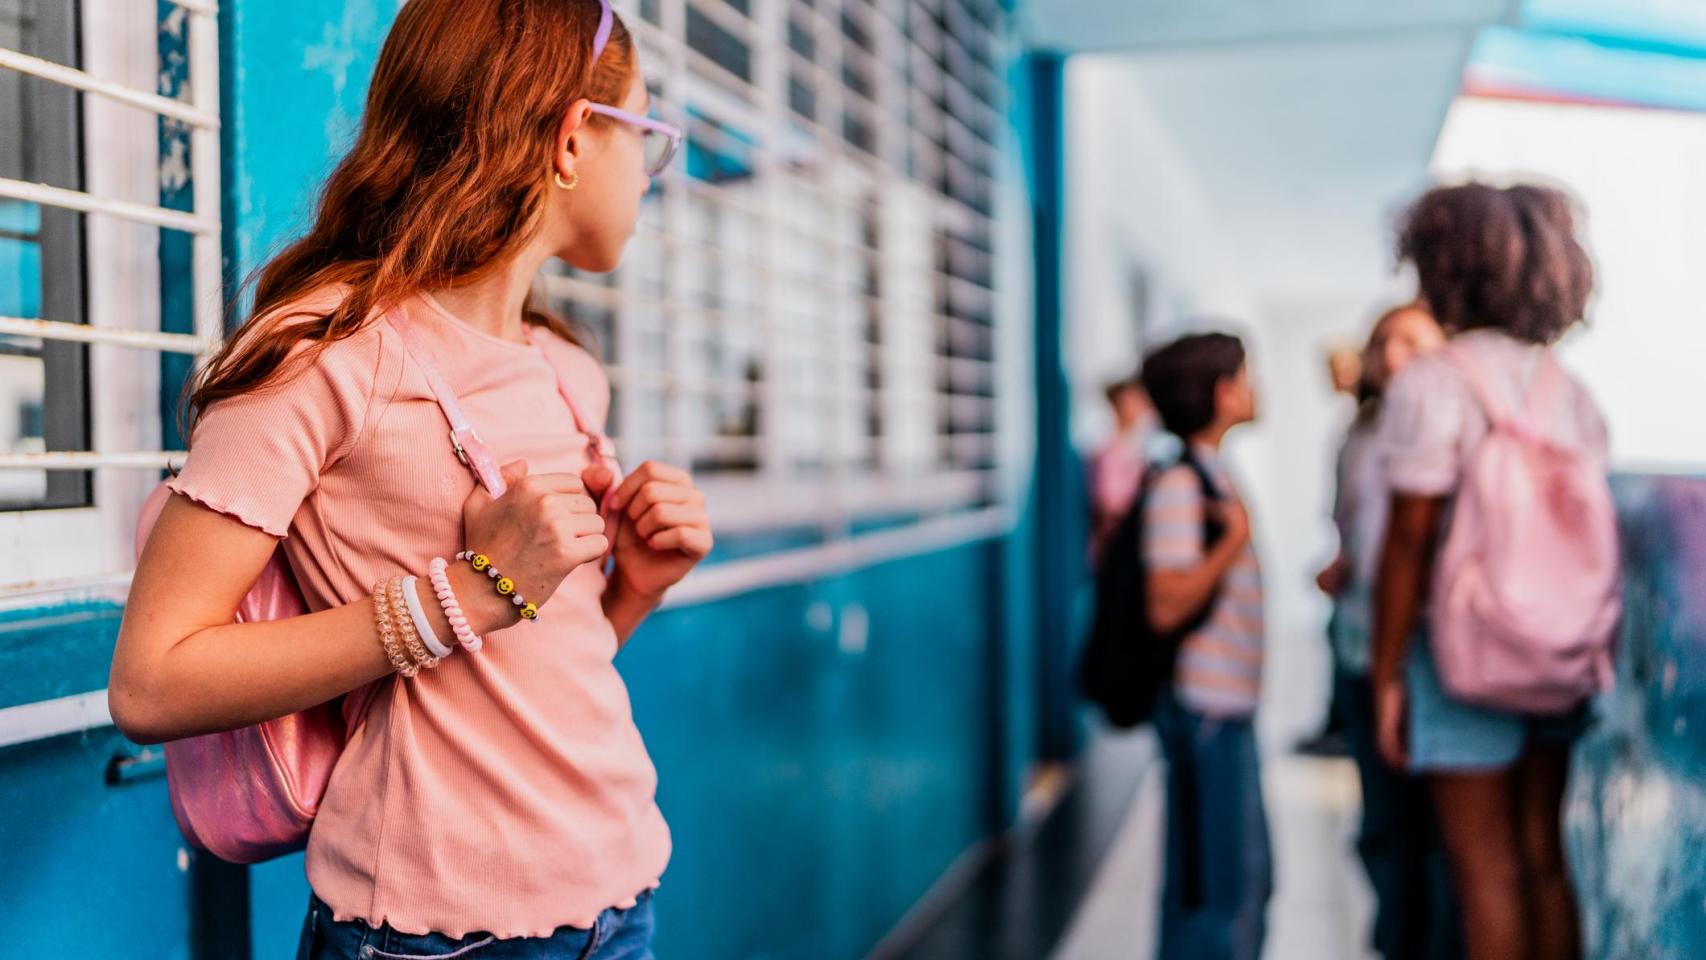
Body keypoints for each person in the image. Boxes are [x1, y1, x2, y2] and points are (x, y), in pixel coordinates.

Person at [109, 2, 709, 957]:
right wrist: (463, 591)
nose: (649, 175)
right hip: (429, 936)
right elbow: (151, 681)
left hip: (616, 899)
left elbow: (510, 683)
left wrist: (628, 588)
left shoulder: (564, 370)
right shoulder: (325, 352)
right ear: (569, 139)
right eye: (647, 137)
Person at [1374, 182, 1607, 960]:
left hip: (1461, 652)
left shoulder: (1432, 384)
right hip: (1562, 648)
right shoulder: (1568, 391)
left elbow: (1409, 540)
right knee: (1544, 854)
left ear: (1443, 267)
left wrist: (1385, 674)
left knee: (1484, 868)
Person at [1318, 304, 1460, 960]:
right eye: (1384, 341)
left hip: (1430, 655)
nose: (1394, 353)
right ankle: (1396, 941)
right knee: (1381, 822)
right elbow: (1360, 531)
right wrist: (1345, 563)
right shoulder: (1357, 436)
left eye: (1412, 339)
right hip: (1358, 644)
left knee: (1439, 832)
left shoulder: (1457, 424)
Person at [1140, 333, 1271, 960]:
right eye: (1246, 376)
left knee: (1237, 880)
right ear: (1222, 393)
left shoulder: (1209, 474)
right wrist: (1230, 543)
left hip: (1224, 708)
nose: (1254, 388)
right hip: (1205, 710)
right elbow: (1165, 602)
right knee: (1219, 892)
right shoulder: (1181, 486)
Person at [1088, 375, 1154, 564]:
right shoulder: (1109, 450)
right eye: (1133, 400)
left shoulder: (1142, 444)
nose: (1140, 406)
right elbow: (1110, 502)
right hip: (1115, 548)